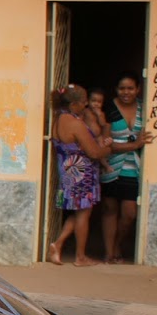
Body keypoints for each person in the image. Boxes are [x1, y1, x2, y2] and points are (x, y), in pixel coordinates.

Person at [46, 85, 110, 267]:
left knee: (79, 212)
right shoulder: (75, 124)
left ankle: (58, 245)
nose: (85, 105)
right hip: (81, 175)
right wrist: (108, 148)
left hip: (68, 173)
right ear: (73, 104)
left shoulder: (59, 120)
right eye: (83, 102)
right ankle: (80, 257)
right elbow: (94, 152)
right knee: (83, 214)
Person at [100, 75, 153, 263]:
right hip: (111, 167)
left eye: (130, 88)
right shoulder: (109, 108)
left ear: (138, 89)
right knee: (109, 210)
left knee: (129, 214)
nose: (126, 92)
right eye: (122, 88)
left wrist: (135, 145)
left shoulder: (145, 108)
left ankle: (117, 244)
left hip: (134, 168)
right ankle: (109, 253)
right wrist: (134, 144)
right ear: (116, 89)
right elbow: (105, 144)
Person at [83, 86, 114, 176]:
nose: (96, 104)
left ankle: (105, 165)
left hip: (98, 136)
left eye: (99, 102)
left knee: (101, 148)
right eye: (93, 101)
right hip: (88, 135)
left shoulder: (101, 113)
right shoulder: (85, 111)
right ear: (87, 101)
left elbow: (103, 124)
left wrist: (99, 115)